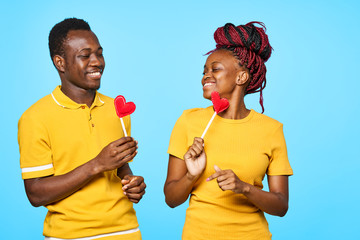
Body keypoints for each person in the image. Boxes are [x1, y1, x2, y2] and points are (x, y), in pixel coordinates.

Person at [18, 18, 146, 240]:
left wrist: (133, 183)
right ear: (60, 63)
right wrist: (96, 164)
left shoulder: (116, 109)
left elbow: (120, 168)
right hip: (70, 235)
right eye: (85, 55)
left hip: (127, 231)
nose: (97, 61)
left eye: (99, 53)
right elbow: (36, 194)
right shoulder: (35, 118)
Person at [164, 22, 293, 239]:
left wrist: (244, 187)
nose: (206, 75)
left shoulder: (271, 130)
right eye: (204, 70)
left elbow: (281, 206)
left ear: (241, 77)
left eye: (215, 69)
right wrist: (191, 176)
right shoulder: (188, 121)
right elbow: (171, 199)